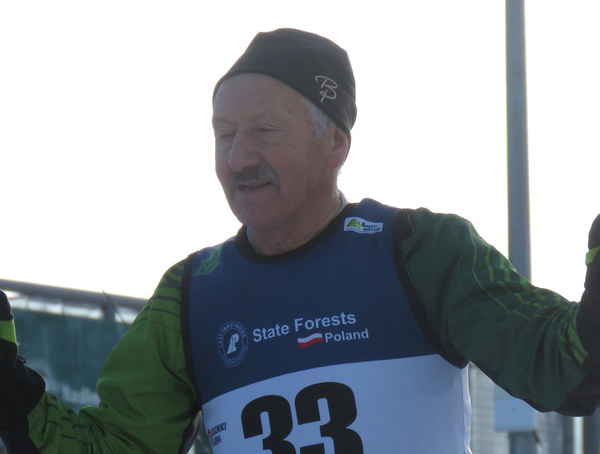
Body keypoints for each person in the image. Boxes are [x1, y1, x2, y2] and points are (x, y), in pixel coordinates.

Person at [0, 27, 599, 453]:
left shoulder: (418, 249)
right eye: (224, 134)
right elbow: (119, 446)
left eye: (264, 131)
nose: (238, 158)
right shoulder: (190, 295)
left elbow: (561, 365)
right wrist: (10, 394)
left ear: (335, 143)